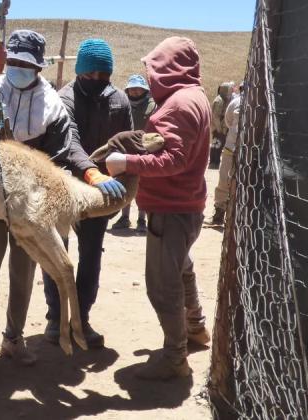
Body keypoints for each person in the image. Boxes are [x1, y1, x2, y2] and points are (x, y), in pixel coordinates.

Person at [0, 30, 125, 376]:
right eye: (14, 62)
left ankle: (13, 338)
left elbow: (63, 152)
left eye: (26, 64)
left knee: (24, 273)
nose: (19, 68)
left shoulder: (51, 105)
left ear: (37, 68)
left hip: (28, 206)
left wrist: (86, 173)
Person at [105, 36, 212, 380]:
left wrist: (127, 162)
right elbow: (176, 146)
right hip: (188, 204)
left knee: (163, 284)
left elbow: (174, 158)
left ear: (169, 67)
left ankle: (174, 357)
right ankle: (195, 327)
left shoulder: (179, 104)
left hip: (171, 208)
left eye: (153, 68)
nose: (150, 77)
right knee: (182, 267)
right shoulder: (195, 97)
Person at [41, 39, 132, 349]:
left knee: (91, 256)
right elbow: (70, 142)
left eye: (103, 75)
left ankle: (82, 317)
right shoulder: (63, 99)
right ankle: (56, 318)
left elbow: (128, 142)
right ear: (79, 71)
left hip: (100, 195)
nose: (96, 80)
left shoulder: (119, 100)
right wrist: (91, 171)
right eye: (90, 73)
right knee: (57, 255)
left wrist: (125, 188)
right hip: (65, 189)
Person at [111, 74, 157, 232]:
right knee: (125, 183)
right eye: (132, 89)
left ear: (144, 90)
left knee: (143, 184)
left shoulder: (153, 106)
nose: (135, 92)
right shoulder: (123, 104)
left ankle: (141, 219)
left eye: (138, 89)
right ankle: (124, 217)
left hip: (145, 150)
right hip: (126, 149)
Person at [210, 82, 243, 225]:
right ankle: (219, 211)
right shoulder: (235, 102)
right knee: (224, 180)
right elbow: (229, 122)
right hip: (231, 148)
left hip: (248, 152)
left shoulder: (260, 104)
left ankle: (239, 216)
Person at [209, 81, 234, 169]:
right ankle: (213, 163)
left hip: (222, 128)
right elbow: (216, 116)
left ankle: (216, 163)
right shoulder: (219, 100)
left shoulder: (224, 99)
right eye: (229, 90)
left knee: (219, 146)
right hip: (218, 128)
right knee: (216, 145)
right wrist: (219, 129)